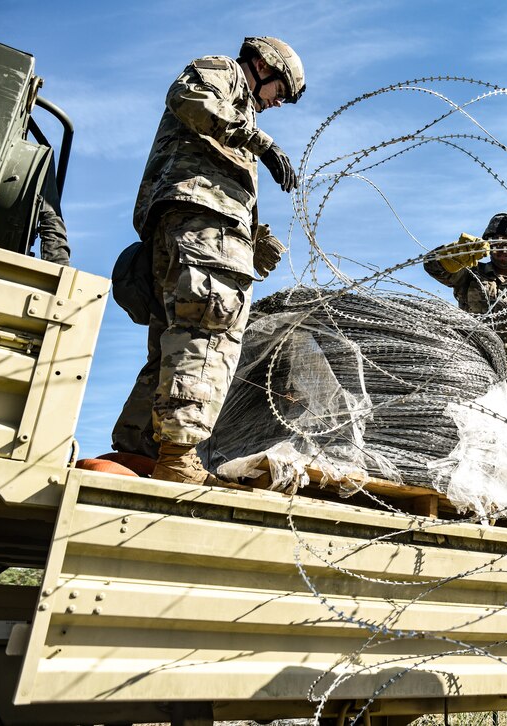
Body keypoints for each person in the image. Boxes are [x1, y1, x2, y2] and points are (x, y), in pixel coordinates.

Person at [111, 36, 303, 486]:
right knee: (208, 330)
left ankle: (141, 451)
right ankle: (177, 455)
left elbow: (215, 174)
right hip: (200, 223)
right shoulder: (223, 72)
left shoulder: (239, 111)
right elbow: (188, 99)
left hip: (196, 223)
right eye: (281, 91)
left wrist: (253, 239)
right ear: (263, 66)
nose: (279, 103)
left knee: (172, 339)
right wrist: (262, 143)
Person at [424, 212, 507, 426]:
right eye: (498, 243)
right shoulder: (469, 274)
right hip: (469, 368)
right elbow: (432, 266)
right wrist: (457, 253)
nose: (503, 250)